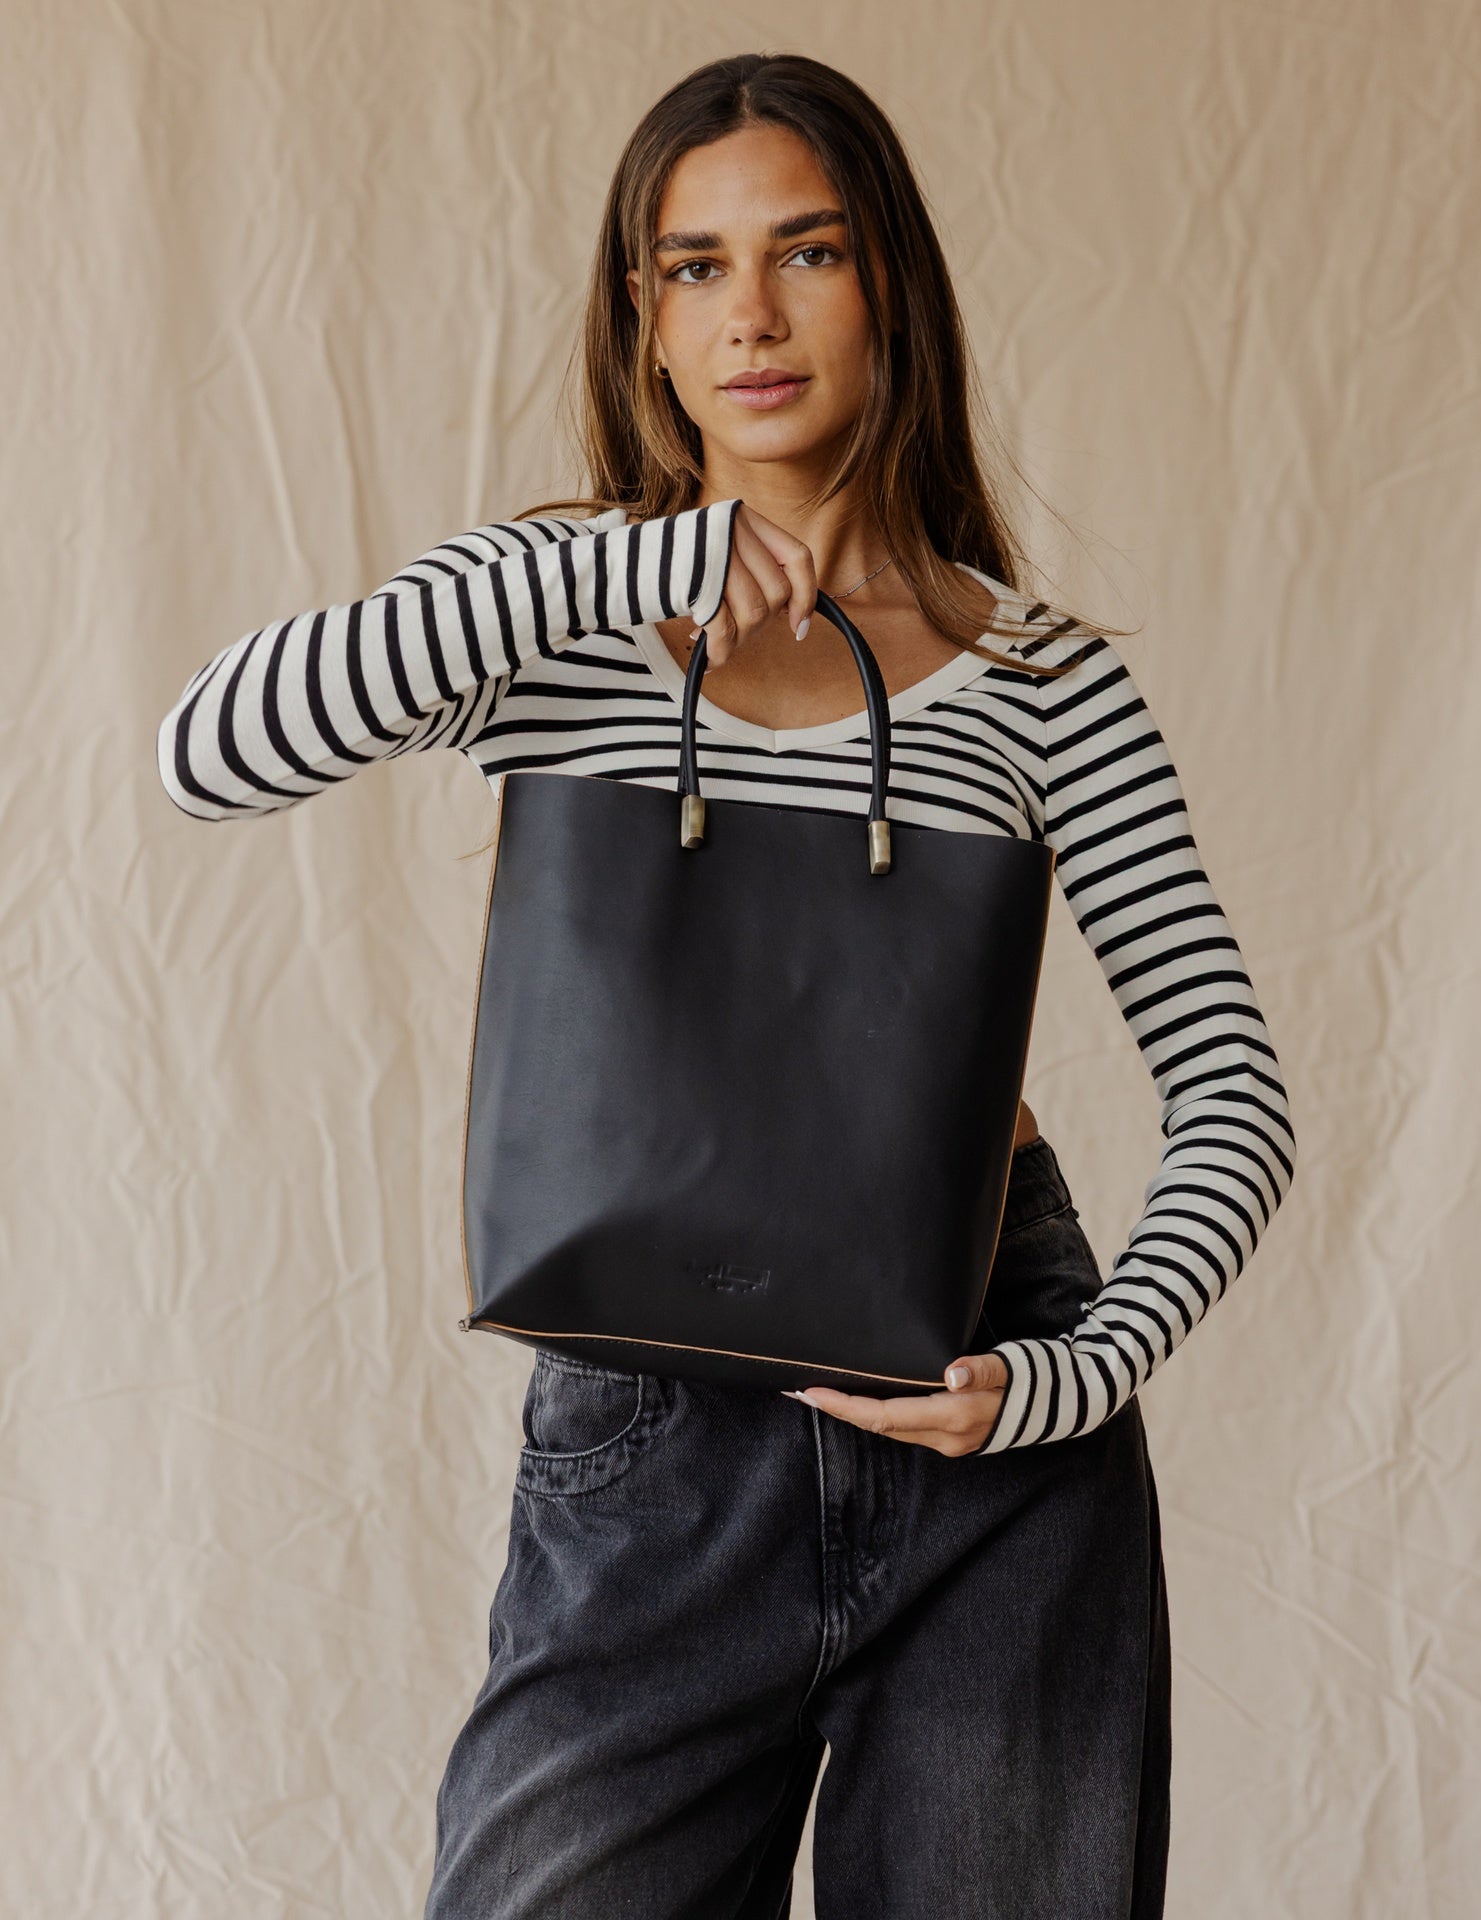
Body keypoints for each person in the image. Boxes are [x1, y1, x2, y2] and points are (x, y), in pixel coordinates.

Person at [156, 50, 1294, 1920]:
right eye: (696, 266)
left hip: (984, 1406)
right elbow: (212, 750)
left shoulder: (1042, 679)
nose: (750, 315)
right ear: (647, 313)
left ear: (888, 280)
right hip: (648, 1433)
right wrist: (634, 560)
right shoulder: (559, 608)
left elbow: (1233, 1087)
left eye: (807, 252)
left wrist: (1071, 1378)